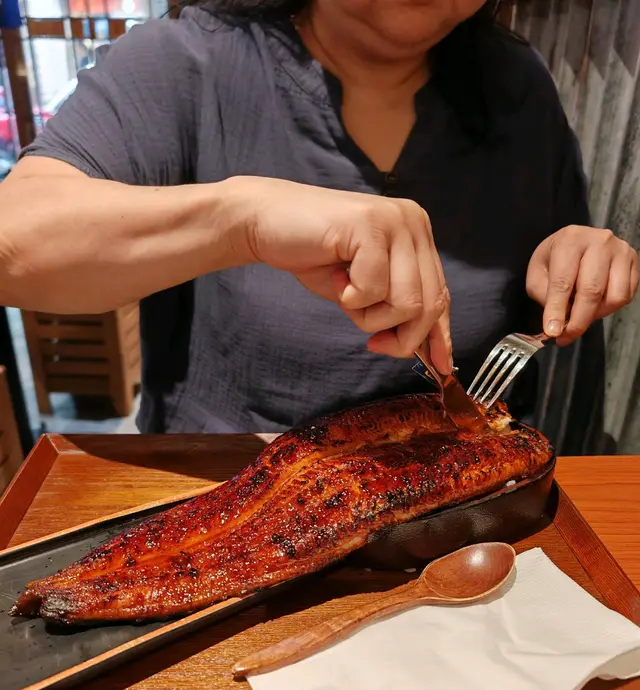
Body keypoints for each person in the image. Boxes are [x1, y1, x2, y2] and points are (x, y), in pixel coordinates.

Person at [0, 0, 636, 436]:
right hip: (226, 509)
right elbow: (15, 246)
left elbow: (542, 268)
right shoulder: (188, 61)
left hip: (461, 513)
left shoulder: (516, 82)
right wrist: (241, 218)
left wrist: (574, 260)